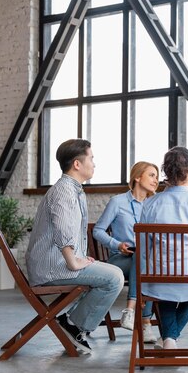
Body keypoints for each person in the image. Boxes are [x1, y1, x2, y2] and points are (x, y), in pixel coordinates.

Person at [25, 139, 124, 354]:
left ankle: (73, 322)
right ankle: (74, 325)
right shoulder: (63, 192)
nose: (94, 163)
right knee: (114, 278)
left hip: (59, 263)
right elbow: (63, 230)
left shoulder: (73, 190)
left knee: (113, 272)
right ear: (77, 164)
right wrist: (73, 261)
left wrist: (81, 258)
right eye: (91, 158)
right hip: (52, 269)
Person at [139, 146, 188, 349]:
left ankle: (169, 338)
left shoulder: (150, 204)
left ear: (166, 172)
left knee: (164, 291)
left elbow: (145, 248)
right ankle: (171, 337)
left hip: (158, 278)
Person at [93, 161, 159, 343]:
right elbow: (97, 231)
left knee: (144, 257)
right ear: (137, 177)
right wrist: (116, 244)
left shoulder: (155, 204)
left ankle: (130, 311)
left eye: (157, 176)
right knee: (145, 262)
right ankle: (145, 322)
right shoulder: (118, 202)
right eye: (152, 175)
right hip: (119, 260)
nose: (156, 180)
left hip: (143, 259)